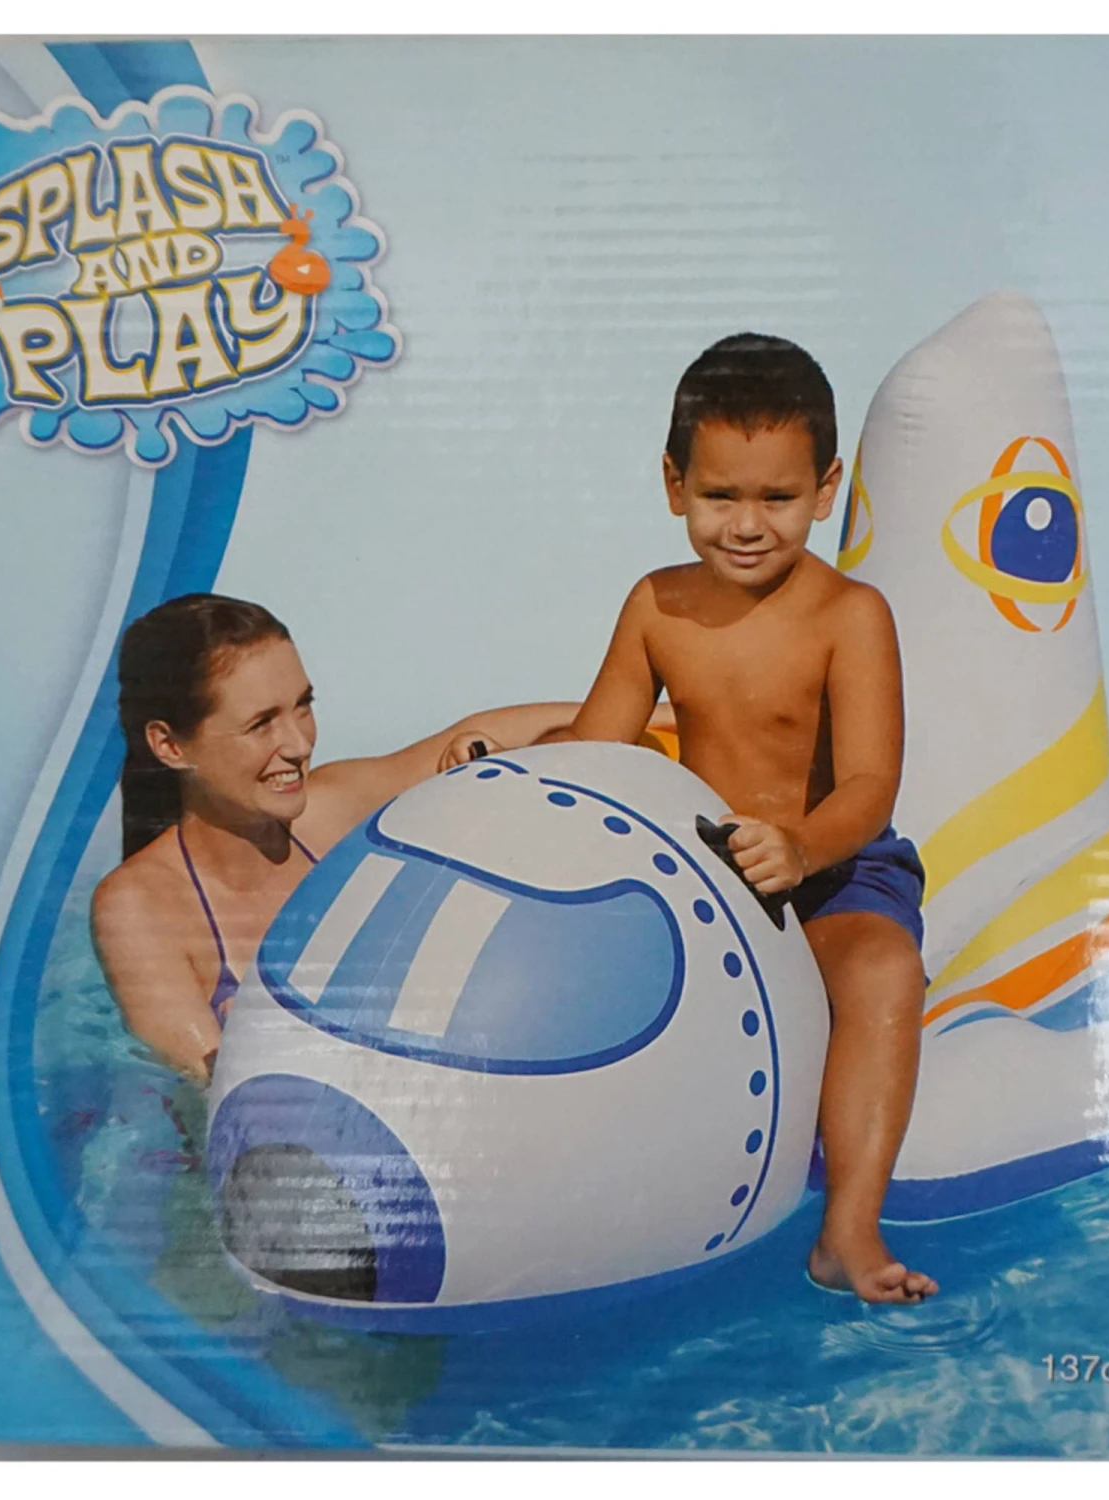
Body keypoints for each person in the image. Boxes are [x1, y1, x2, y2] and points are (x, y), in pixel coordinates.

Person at [538, 334, 938, 1304]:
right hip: (710, 871)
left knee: (883, 969)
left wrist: (801, 846)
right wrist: (509, 777)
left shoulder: (851, 614)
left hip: (834, 867)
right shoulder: (657, 606)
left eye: (778, 498)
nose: (748, 525)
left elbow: (871, 785)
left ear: (826, 488)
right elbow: (597, 750)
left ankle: (848, 1230)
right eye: (720, 496)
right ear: (674, 484)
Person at [91, 593, 601, 1086]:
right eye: (261, 724)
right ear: (170, 746)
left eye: (302, 706)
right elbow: (212, 1092)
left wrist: (650, 716)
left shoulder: (323, 815)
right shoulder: (138, 906)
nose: (299, 744)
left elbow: (478, 731)